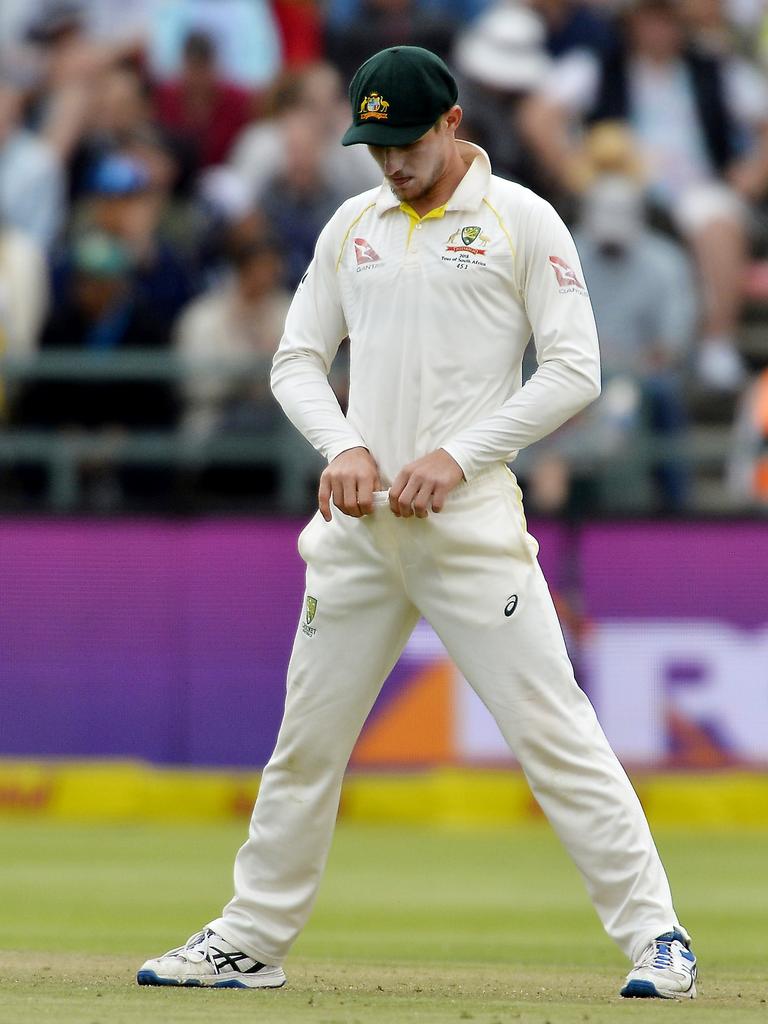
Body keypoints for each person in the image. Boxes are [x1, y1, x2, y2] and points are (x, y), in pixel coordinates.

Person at [137, 45, 697, 1000]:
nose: (391, 163)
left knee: (555, 735)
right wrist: (343, 448)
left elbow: (576, 370)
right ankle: (252, 939)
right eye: (374, 144)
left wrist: (460, 456)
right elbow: (295, 360)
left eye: (405, 142)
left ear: (451, 123)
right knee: (305, 744)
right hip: (359, 533)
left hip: (469, 527)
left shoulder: (521, 220)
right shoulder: (354, 225)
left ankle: (658, 940)